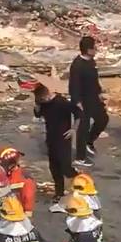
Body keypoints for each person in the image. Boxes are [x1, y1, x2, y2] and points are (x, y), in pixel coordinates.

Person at [33, 84, 75, 212]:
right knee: (54, 168)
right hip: (51, 139)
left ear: (47, 95)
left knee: (65, 167)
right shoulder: (43, 104)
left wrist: (74, 129)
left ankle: (81, 182)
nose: (41, 101)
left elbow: (79, 113)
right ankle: (59, 193)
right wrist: (37, 105)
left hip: (63, 139)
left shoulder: (62, 102)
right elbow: (38, 115)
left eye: (41, 99)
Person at [69, 35, 108, 167]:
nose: (96, 50)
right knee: (83, 128)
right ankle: (80, 158)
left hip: (93, 98)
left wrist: (99, 93)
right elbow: (73, 85)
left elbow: (94, 80)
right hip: (82, 101)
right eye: (94, 48)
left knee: (103, 119)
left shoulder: (92, 62)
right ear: (88, 50)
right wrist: (77, 101)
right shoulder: (77, 65)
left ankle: (89, 141)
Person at [0, 145, 36, 218]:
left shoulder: (24, 180)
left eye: (1, 165)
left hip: (15, 217)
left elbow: (28, 204)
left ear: (11, 166)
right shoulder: (1, 175)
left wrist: (24, 219)